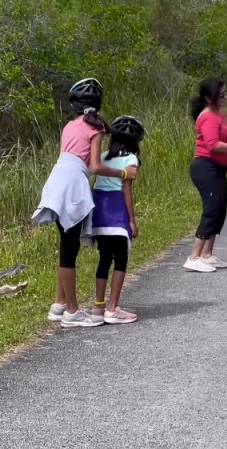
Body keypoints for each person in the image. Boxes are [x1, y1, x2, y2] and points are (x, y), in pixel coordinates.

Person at [33, 78, 139, 327]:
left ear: (74, 103)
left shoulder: (69, 125)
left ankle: (59, 305)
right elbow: (94, 166)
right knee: (69, 249)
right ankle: (72, 312)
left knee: (66, 244)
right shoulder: (97, 127)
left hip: (57, 180)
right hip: (73, 185)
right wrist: (123, 174)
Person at [184, 78, 227, 273]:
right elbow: (213, 145)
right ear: (207, 98)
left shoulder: (219, 114)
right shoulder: (207, 117)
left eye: (225, 93)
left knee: (219, 210)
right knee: (211, 210)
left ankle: (207, 255)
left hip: (218, 168)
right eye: (220, 95)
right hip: (206, 168)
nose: (225, 97)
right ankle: (193, 257)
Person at [90, 115, 145, 324]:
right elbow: (126, 191)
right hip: (116, 210)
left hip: (99, 209)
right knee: (120, 259)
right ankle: (113, 308)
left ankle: (98, 306)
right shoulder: (131, 160)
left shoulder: (103, 156)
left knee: (104, 258)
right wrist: (132, 220)